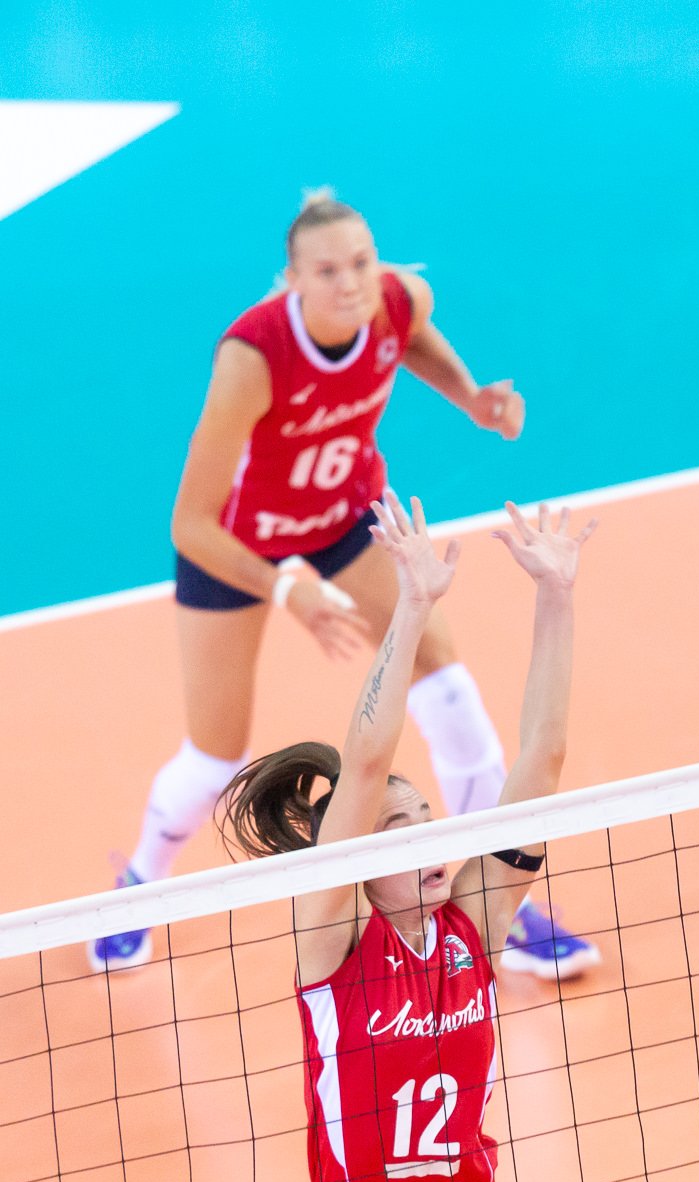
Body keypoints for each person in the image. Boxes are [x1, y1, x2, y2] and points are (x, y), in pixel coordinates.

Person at [97, 191, 598, 980]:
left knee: (446, 679)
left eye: (361, 263)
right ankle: (138, 885)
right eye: (327, 271)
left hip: (341, 519)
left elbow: (411, 336)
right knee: (216, 753)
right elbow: (190, 524)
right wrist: (286, 588)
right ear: (293, 279)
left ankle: (503, 898)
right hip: (237, 544)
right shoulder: (253, 357)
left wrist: (470, 395)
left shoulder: (398, 299)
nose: (350, 283)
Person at [218, 492, 594, 1182]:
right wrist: (413, 604)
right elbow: (366, 763)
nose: (428, 837)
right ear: (356, 858)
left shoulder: (473, 924)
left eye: (428, 817)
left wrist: (557, 593)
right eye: (398, 829)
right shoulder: (331, 938)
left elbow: (542, 756)